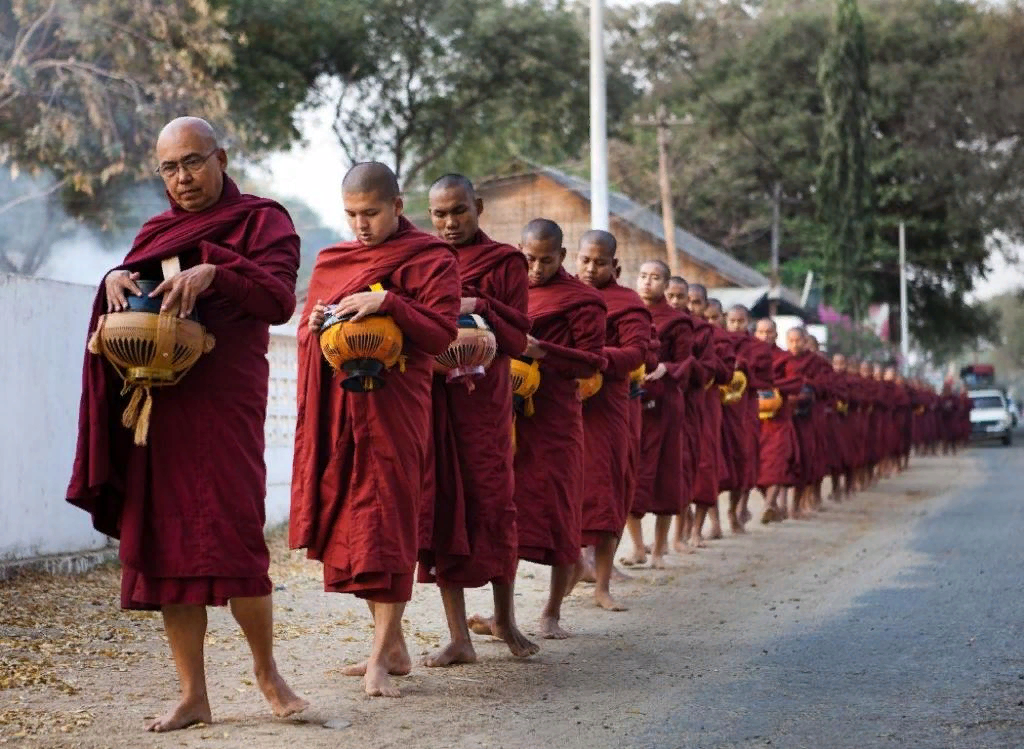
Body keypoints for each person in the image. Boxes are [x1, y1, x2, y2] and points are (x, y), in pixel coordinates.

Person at [67, 117, 307, 731]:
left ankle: (266, 673)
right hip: (163, 407)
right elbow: (135, 292)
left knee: (237, 539)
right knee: (168, 545)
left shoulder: (263, 221)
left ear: (221, 158)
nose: (183, 178)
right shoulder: (157, 230)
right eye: (170, 168)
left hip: (226, 403)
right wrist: (113, 280)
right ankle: (192, 693)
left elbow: (280, 299)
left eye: (193, 162)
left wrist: (216, 272)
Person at [291, 162, 460, 697]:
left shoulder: (430, 259)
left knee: (390, 523)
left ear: (397, 206)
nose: (360, 225)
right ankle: (393, 645)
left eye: (370, 213)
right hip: (345, 413)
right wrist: (315, 325)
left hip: (397, 410)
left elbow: (440, 333)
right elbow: (306, 331)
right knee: (358, 528)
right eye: (351, 214)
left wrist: (388, 301)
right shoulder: (333, 260)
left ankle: (378, 660)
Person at [417, 174, 539, 666]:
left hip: (485, 406)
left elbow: (518, 336)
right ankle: (458, 637)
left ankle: (505, 619)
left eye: (459, 211)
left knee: (493, 506)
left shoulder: (505, 261)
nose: (449, 223)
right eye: (440, 215)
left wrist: (480, 304)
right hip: (436, 403)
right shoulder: (422, 259)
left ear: (478, 207)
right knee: (445, 507)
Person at [472, 219, 606, 640]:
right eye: (528, 258)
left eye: (545, 260)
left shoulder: (582, 300)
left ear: (562, 257)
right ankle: (503, 617)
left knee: (560, 511)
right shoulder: (507, 290)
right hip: (500, 411)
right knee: (504, 510)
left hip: (554, 415)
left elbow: (591, 362)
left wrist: (540, 350)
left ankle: (551, 612)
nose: (534, 269)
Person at [575, 231, 651, 608]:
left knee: (605, 493)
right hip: (563, 407)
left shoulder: (627, 303)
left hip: (606, 408)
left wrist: (592, 358)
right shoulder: (563, 295)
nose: (591, 268)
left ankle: (602, 587)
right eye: (586, 260)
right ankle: (573, 569)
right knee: (565, 492)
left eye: (600, 262)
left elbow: (637, 352)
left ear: (615, 266)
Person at [623, 261, 694, 568]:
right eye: (643, 276)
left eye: (655, 278)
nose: (647, 282)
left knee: (666, 476)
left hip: (665, 404)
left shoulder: (678, 321)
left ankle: (659, 550)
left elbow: (687, 362)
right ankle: (638, 546)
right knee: (630, 472)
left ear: (666, 284)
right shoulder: (627, 310)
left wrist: (667, 369)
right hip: (632, 400)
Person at [687, 284, 733, 545]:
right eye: (688, 301)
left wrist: (705, 362)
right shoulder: (674, 327)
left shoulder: (715, 337)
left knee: (705, 463)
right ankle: (681, 531)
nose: (692, 307)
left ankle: (697, 530)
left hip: (707, 404)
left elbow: (726, 373)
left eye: (696, 303)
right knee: (679, 464)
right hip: (681, 404)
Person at [722, 304, 772, 532]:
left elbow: (765, 382)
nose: (736, 326)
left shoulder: (758, 348)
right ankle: (714, 521)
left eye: (740, 321)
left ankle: (735, 510)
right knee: (713, 463)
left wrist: (745, 368)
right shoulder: (717, 340)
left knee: (743, 459)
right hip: (719, 409)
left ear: (748, 322)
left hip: (744, 411)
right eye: (732, 321)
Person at [753, 319, 803, 523]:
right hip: (754, 418)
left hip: (778, 419)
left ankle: (768, 505)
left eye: (769, 332)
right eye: (761, 332)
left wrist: (770, 384)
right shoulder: (749, 354)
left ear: (775, 335)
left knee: (776, 462)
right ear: (755, 333)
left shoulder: (783, 357)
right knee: (756, 465)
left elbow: (795, 382)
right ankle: (771, 504)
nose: (765, 336)